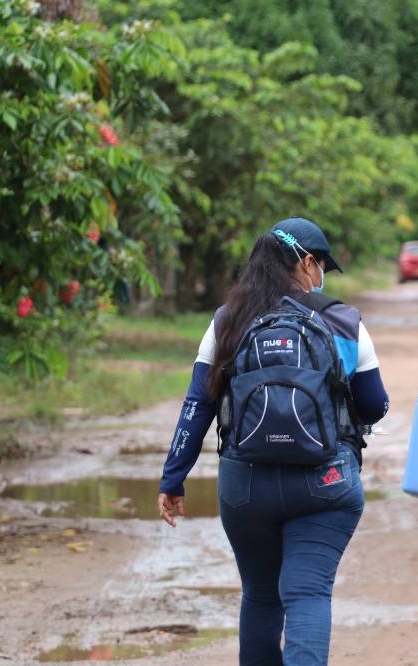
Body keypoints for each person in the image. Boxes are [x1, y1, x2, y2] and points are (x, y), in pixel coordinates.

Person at [156, 217, 389, 665]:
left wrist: (174, 477)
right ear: (306, 261)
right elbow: (375, 404)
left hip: (246, 486)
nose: (321, 275)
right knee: (307, 593)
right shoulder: (342, 319)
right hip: (326, 482)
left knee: (261, 596)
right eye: (321, 264)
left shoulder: (227, 320)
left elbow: (196, 404)